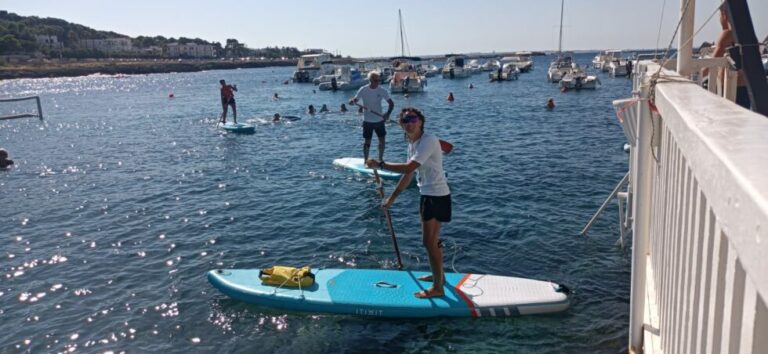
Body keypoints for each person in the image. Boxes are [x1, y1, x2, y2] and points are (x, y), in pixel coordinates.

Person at [365, 108, 451, 299]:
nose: (409, 122)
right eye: (405, 120)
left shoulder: (428, 140)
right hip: (428, 194)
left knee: (429, 243)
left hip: (436, 195)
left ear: (420, 121)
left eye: (412, 119)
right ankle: (440, 278)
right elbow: (408, 174)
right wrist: (391, 198)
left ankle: (438, 288)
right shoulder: (413, 144)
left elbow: (410, 167)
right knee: (432, 241)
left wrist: (380, 164)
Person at [704, 7, 750, 109]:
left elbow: (710, 64)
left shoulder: (727, 34)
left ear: (724, 15)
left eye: (719, 15)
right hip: (744, 90)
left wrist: (690, 75)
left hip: (732, 91)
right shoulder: (742, 33)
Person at [349, 72, 395, 161]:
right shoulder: (363, 89)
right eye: (376, 80)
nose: (378, 82)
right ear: (370, 80)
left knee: (382, 141)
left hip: (379, 120)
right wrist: (351, 101)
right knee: (367, 142)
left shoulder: (382, 90)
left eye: (379, 80)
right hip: (367, 121)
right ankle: (366, 161)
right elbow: (355, 100)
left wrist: (387, 114)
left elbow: (391, 104)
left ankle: (380, 160)